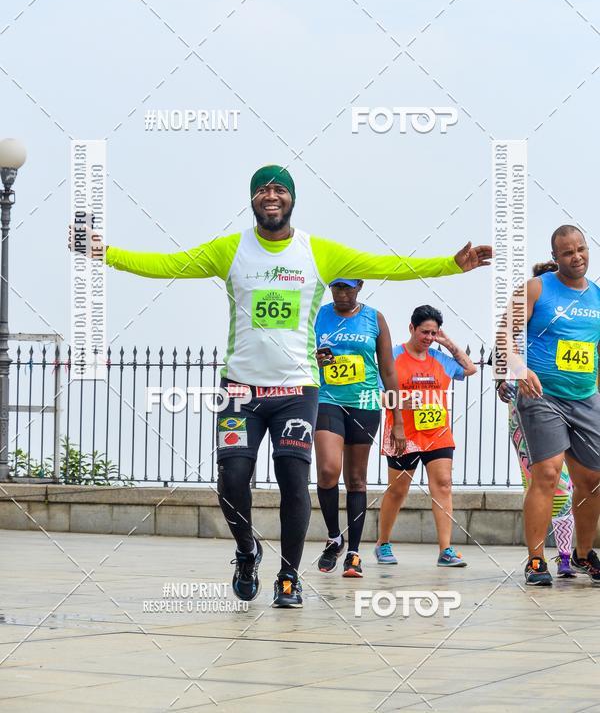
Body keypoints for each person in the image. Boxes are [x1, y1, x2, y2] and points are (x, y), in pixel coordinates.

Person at [71, 165, 491, 608]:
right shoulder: (229, 249)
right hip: (240, 390)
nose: (271, 196)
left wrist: (450, 265)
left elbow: (387, 264)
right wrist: (104, 252)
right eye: (262, 190)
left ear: (291, 199)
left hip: (296, 390)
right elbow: (167, 265)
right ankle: (247, 552)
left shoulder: (318, 252)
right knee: (232, 479)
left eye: (279, 190)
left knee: (294, 482)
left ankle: (289, 575)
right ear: (252, 200)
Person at [501, 225, 600, 586]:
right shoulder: (536, 289)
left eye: (582, 249)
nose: (577, 257)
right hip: (542, 395)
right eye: (568, 252)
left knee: (591, 480)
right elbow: (504, 336)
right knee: (546, 472)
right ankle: (536, 559)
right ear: (555, 257)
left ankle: (584, 554)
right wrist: (518, 368)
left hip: (586, 397)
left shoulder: (598, 297)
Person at [314, 279, 404, 577]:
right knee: (328, 470)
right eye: (336, 287)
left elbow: (388, 370)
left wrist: (399, 421)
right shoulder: (318, 315)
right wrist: (315, 360)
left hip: (364, 402)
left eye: (348, 288)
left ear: (360, 287)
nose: (341, 293)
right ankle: (333, 536)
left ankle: (353, 552)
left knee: (356, 479)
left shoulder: (374, 318)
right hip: (327, 399)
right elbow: (299, 354)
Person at [375, 305, 476, 566]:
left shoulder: (439, 358)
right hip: (403, 433)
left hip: (437, 433)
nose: (429, 338)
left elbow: (469, 369)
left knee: (443, 484)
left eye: (434, 333)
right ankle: (383, 543)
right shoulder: (393, 357)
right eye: (424, 332)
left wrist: (448, 343)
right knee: (398, 490)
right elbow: (378, 394)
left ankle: (446, 550)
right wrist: (401, 401)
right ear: (411, 328)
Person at [496, 261, 576, 579]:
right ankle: (539, 558)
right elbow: (500, 357)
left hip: (571, 411)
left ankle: (568, 556)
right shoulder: (520, 329)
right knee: (545, 483)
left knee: (570, 484)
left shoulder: (572, 326)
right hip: (527, 416)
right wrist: (504, 380)